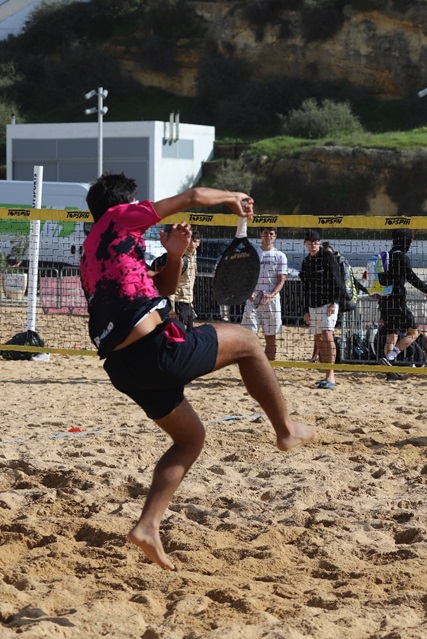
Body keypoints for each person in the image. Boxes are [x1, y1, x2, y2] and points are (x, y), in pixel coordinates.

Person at [78, 172, 316, 570]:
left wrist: (175, 256)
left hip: (124, 369)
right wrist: (231, 196)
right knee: (248, 341)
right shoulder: (120, 217)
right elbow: (192, 195)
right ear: (125, 204)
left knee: (190, 439)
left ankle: (148, 527)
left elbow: (162, 290)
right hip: (155, 351)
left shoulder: (93, 253)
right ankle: (286, 429)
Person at [378, 229, 427, 375]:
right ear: (406, 241)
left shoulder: (386, 256)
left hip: (384, 301)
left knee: (392, 335)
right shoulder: (401, 258)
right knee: (414, 332)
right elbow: (414, 280)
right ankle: (390, 358)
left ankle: (389, 372)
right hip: (397, 302)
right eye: (410, 241)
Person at [300, 230, 350, 389]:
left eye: (315, 241)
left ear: (319, 242)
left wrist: (334, 301)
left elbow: (337, 279)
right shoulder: (307, 261)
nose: (313, 244)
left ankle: (331, 376)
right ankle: (326, 374)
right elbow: (305, 287)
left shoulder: (327, 257)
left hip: (328, 304)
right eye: (310, 242)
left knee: (328, 335)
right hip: (313, 305)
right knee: (319, 338)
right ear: (305, 244)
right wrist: (305, 310)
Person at [241, 227, 287, 361]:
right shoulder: (253, 254)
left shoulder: (280, 255)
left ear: (275, 236)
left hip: (271, 300)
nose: (268, 236)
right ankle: (253, 366)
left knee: (270, 338)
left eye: (271, 233)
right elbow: (245, 277)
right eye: (265, 233)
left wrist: (271, 295)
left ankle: (269, 367)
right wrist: (249, 293)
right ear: (260, 235)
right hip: (252, 299)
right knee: (249, 336)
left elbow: (281, 281)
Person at [147, 227, 200, 327]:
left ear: (198, 243)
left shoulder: (193, 255)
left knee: (190, 331)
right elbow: (171, 283)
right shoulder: (182, 259)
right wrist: (172, 309)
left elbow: (189, 282)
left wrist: (190, 302)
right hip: (178, 301)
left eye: (193, 240)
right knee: (181, 331)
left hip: (187, 301)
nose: (190, 243)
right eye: (189, 240)